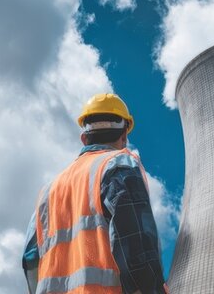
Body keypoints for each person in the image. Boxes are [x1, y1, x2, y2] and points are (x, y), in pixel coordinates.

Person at [22, 93, 168, 294]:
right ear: (124, 135)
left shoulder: (48, 192)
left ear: (84, 138)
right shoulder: (118, 165)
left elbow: (31, 260)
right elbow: (136, 245)